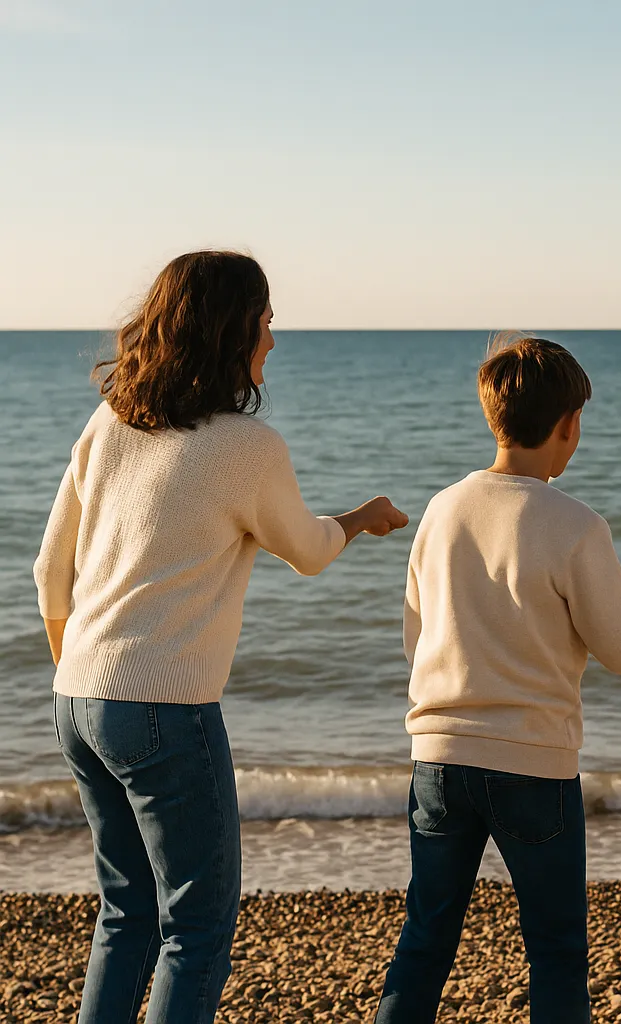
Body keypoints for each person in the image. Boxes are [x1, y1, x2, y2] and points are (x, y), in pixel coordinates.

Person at [34, 250, 408, 1024]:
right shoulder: (244, 445)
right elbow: (306, 550)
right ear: (233, 328)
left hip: (77, 698)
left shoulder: (109, 423)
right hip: (162, 708)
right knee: (197, 928)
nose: (273, 338)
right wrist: (361, 518)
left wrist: (83, 676)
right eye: (267, 320)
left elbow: (48, 572)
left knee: (125, 912)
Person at [374, 335, 621, 1023]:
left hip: (438, 757)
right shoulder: (574, 524)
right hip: (532, 764)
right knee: (555, 948)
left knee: (426, 937)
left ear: (493, 416)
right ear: (568, 426)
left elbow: (417, 635)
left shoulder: (442, 510)